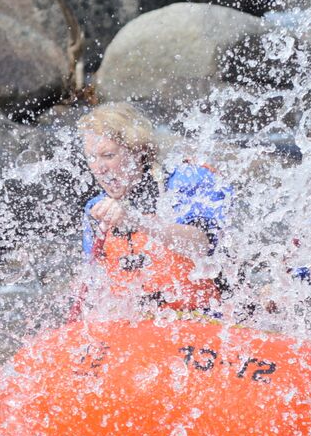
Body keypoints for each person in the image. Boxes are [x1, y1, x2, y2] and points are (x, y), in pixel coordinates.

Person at [77, 102, 230, 318]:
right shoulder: (96, 209)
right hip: (143, 330)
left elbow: (201, 244)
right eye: (91, 158)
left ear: (138, 152)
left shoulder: (185, 181)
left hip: (206, 320)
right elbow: (95, 285)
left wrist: (137, 222)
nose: (99, 168)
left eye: (108, 155)